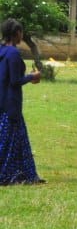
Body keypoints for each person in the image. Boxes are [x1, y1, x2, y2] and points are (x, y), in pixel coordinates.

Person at [0, 18, 43, 185]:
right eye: (21, 32)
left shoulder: (2, 51)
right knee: (8, 141)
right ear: (17, 33)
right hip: (11, 103)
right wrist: (32, 76)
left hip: (2, 100)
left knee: (13, 138)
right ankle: (10, 173)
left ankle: (22, 172)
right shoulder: (13, 53)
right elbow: (15, 81)